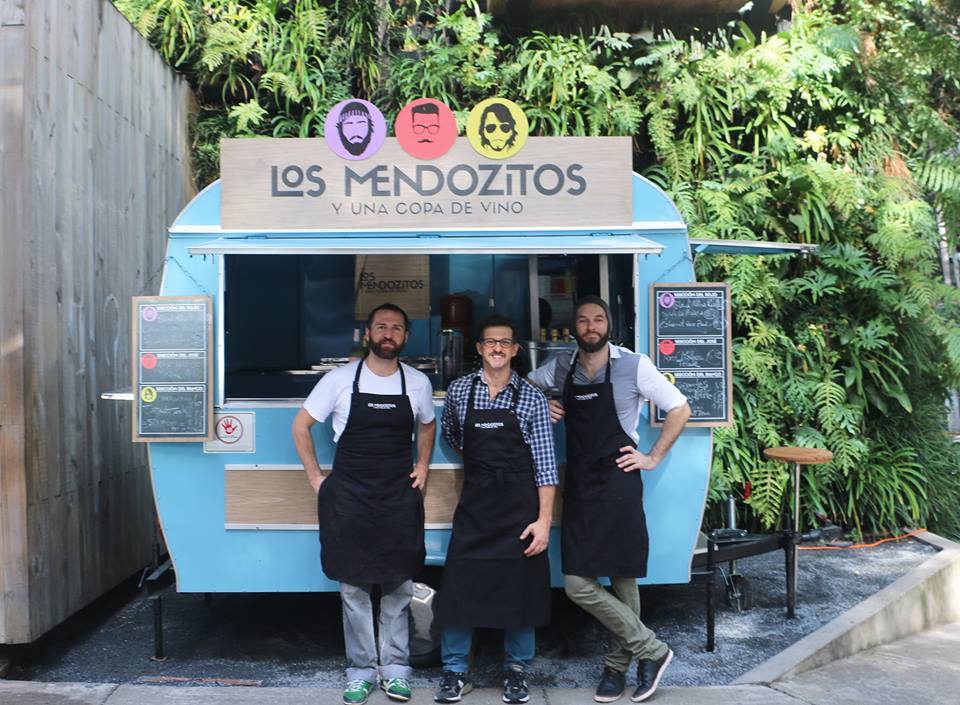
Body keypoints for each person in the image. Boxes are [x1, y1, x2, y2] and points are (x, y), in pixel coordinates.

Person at [527, 296, 691, 703]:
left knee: (622, 575)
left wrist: (652, 457)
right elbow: (524, 388)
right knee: (576, 584)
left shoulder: (634, 365)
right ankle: (652, 649)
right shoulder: (561, 367)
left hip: (619, 480)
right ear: (574, 328)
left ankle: (616, 668)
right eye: (583, 320)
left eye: (598, 319)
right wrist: (543, 402)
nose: (591, 326)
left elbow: (679, 408)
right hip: (581, 482)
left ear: (608, 325)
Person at [292, 303, 436, 705]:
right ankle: (360, 672)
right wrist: (315, 478)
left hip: (397, 496)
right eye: (381, 327)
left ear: (406, 337)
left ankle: (396, 670)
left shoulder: (417, 383)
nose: (388, 334)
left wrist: (423, 464)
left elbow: (428, 424)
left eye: (396, 328)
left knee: (397, 585)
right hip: (350, 498)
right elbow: (301, 426)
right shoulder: (339, 380)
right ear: (368, 334)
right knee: (353, 589)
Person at [434, 314, 558, 704]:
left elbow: (545, 465)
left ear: (515, 349)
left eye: (505, 342)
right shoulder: (459, 392)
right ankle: (454, 671)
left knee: (520, 591)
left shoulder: (532, 398)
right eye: (490, 342)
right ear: (479, 348)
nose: (497, 348)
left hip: (519, 509)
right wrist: (485, 469)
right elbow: (452, 435)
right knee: (459, 587)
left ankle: (517, 671)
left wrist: (543, 521)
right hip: (475, 505)